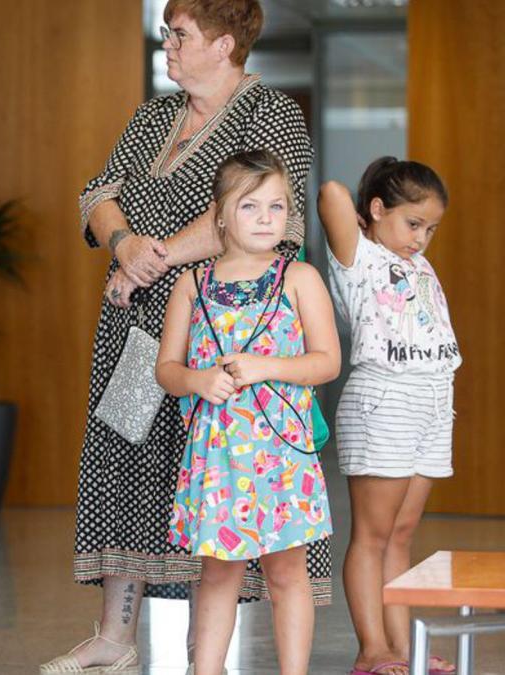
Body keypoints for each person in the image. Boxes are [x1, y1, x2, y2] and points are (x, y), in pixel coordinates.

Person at [43, 1, 327, 672]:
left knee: (210, 474)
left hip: (219, 320)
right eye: (168, 32)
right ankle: (113, 634)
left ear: (225, 43)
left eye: (180, 34)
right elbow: (98, 192)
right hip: (139, 321)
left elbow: (267, 215)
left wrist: (157, 256)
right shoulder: (153, 116)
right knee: (124, 455)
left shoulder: (272, 113)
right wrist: (123, 242)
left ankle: (210, 649)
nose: (167, 44)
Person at [157, 150, 339, 675]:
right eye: (250, 206)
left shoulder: (299, 277)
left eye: (277, 207)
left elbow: (327, 362)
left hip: (282, 456)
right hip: (218, 458)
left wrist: (265, 366)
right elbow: (167, 368)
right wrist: (197, 380)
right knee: (217, 575)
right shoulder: (192, 285)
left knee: (288, 575)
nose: (266, 218)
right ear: (219, 214)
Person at [319, 158, 459, 675]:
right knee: (373, 536)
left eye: (431, 228)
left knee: (401, 536)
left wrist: (399, 232)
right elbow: (332, 191)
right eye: (413, 223)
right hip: (385, 400)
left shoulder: (416, 264)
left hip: (432, 401)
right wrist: (364, 220)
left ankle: (404, 650)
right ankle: (372, 649)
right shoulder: (360, 258)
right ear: (376, 210)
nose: (421, 239)